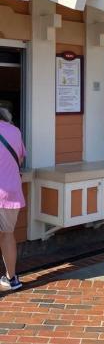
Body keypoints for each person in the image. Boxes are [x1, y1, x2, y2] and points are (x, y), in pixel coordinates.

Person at [0, 108, 25, 291]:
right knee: (8, 235)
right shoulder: (15, 131)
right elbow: (21, 159)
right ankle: (12, 279)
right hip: (11, 193)